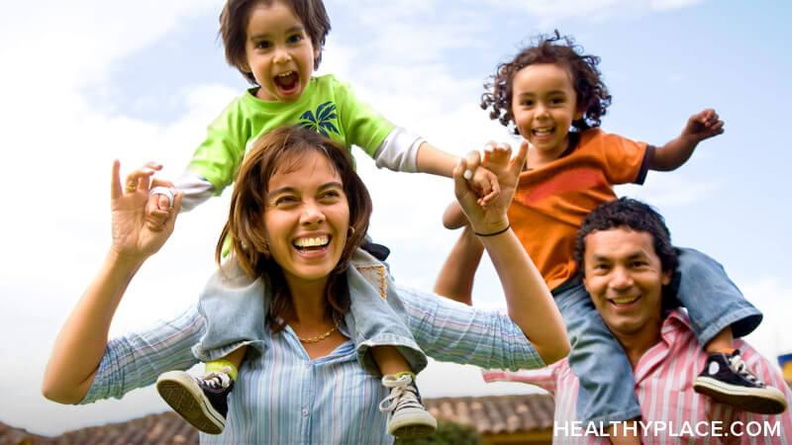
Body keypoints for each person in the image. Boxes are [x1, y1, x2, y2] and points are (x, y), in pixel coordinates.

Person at [42, 126, 569, 445]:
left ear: (352, 208)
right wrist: (124, 257)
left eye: (328, 195)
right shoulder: (219, 319)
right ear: (258, 221)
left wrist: (493, 225)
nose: (312, 216)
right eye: (287, 200)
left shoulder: (392, 307)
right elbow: (68, 384)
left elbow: (539, 344)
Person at [142, 0, 499, 437]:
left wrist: (459, 166)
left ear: (316, 43)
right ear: (243, 58)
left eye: (295, 38)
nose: (283, 56)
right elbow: (208, 172)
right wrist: (167, 198)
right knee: (232, 295)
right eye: (263, 44)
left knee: (372, 288)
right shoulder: (238, 117)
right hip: (259, 252)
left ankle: (401, 388)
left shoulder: (335, 96)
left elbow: (392, 143)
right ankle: (217, 381)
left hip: (337, 250)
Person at [438, 31, 786, 443]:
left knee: (694, 262)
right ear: (510, 109)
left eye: (555, 100)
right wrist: (482, 186)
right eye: (528, 103)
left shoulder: (596, 148)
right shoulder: (510, 168)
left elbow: (662, 159)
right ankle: (622, 429)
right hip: (562, 288)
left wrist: (689, 138)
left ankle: (722, 358)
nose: (542, 114)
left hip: (612, 257)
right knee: (592, 346)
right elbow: (452, 219)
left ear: (579, 104)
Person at [482, 198, 792, 444]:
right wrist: (482, 224)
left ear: (667, 271)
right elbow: (453, 324)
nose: (620, 281)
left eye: (637, 264)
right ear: (585, 281)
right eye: (602, 268)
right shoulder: (562, 355)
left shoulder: (749, 372)